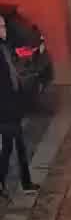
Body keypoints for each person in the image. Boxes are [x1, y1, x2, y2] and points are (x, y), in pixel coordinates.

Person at [0, 15, 35, 196]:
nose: (4, 30)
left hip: (12, 105)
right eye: (0, 27)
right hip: (5, 109)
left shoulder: (4, 47)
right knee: (16, 145)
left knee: (9, 146)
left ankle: (14, 181)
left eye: (4, 26)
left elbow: (12, 72)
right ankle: (24, 182)